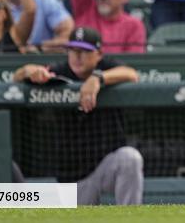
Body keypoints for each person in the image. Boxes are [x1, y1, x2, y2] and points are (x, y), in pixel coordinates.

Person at [13, 26, 143, 205]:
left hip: (106, 164)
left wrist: (97, 78)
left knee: (130, 158)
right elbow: (18, 76)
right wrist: (31, 71)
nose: (77, 56)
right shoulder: (61, 71)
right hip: (73, 174)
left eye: (84, 51)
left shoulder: (106, 67)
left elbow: (131, 74)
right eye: (73, 50)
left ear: (98, 54)